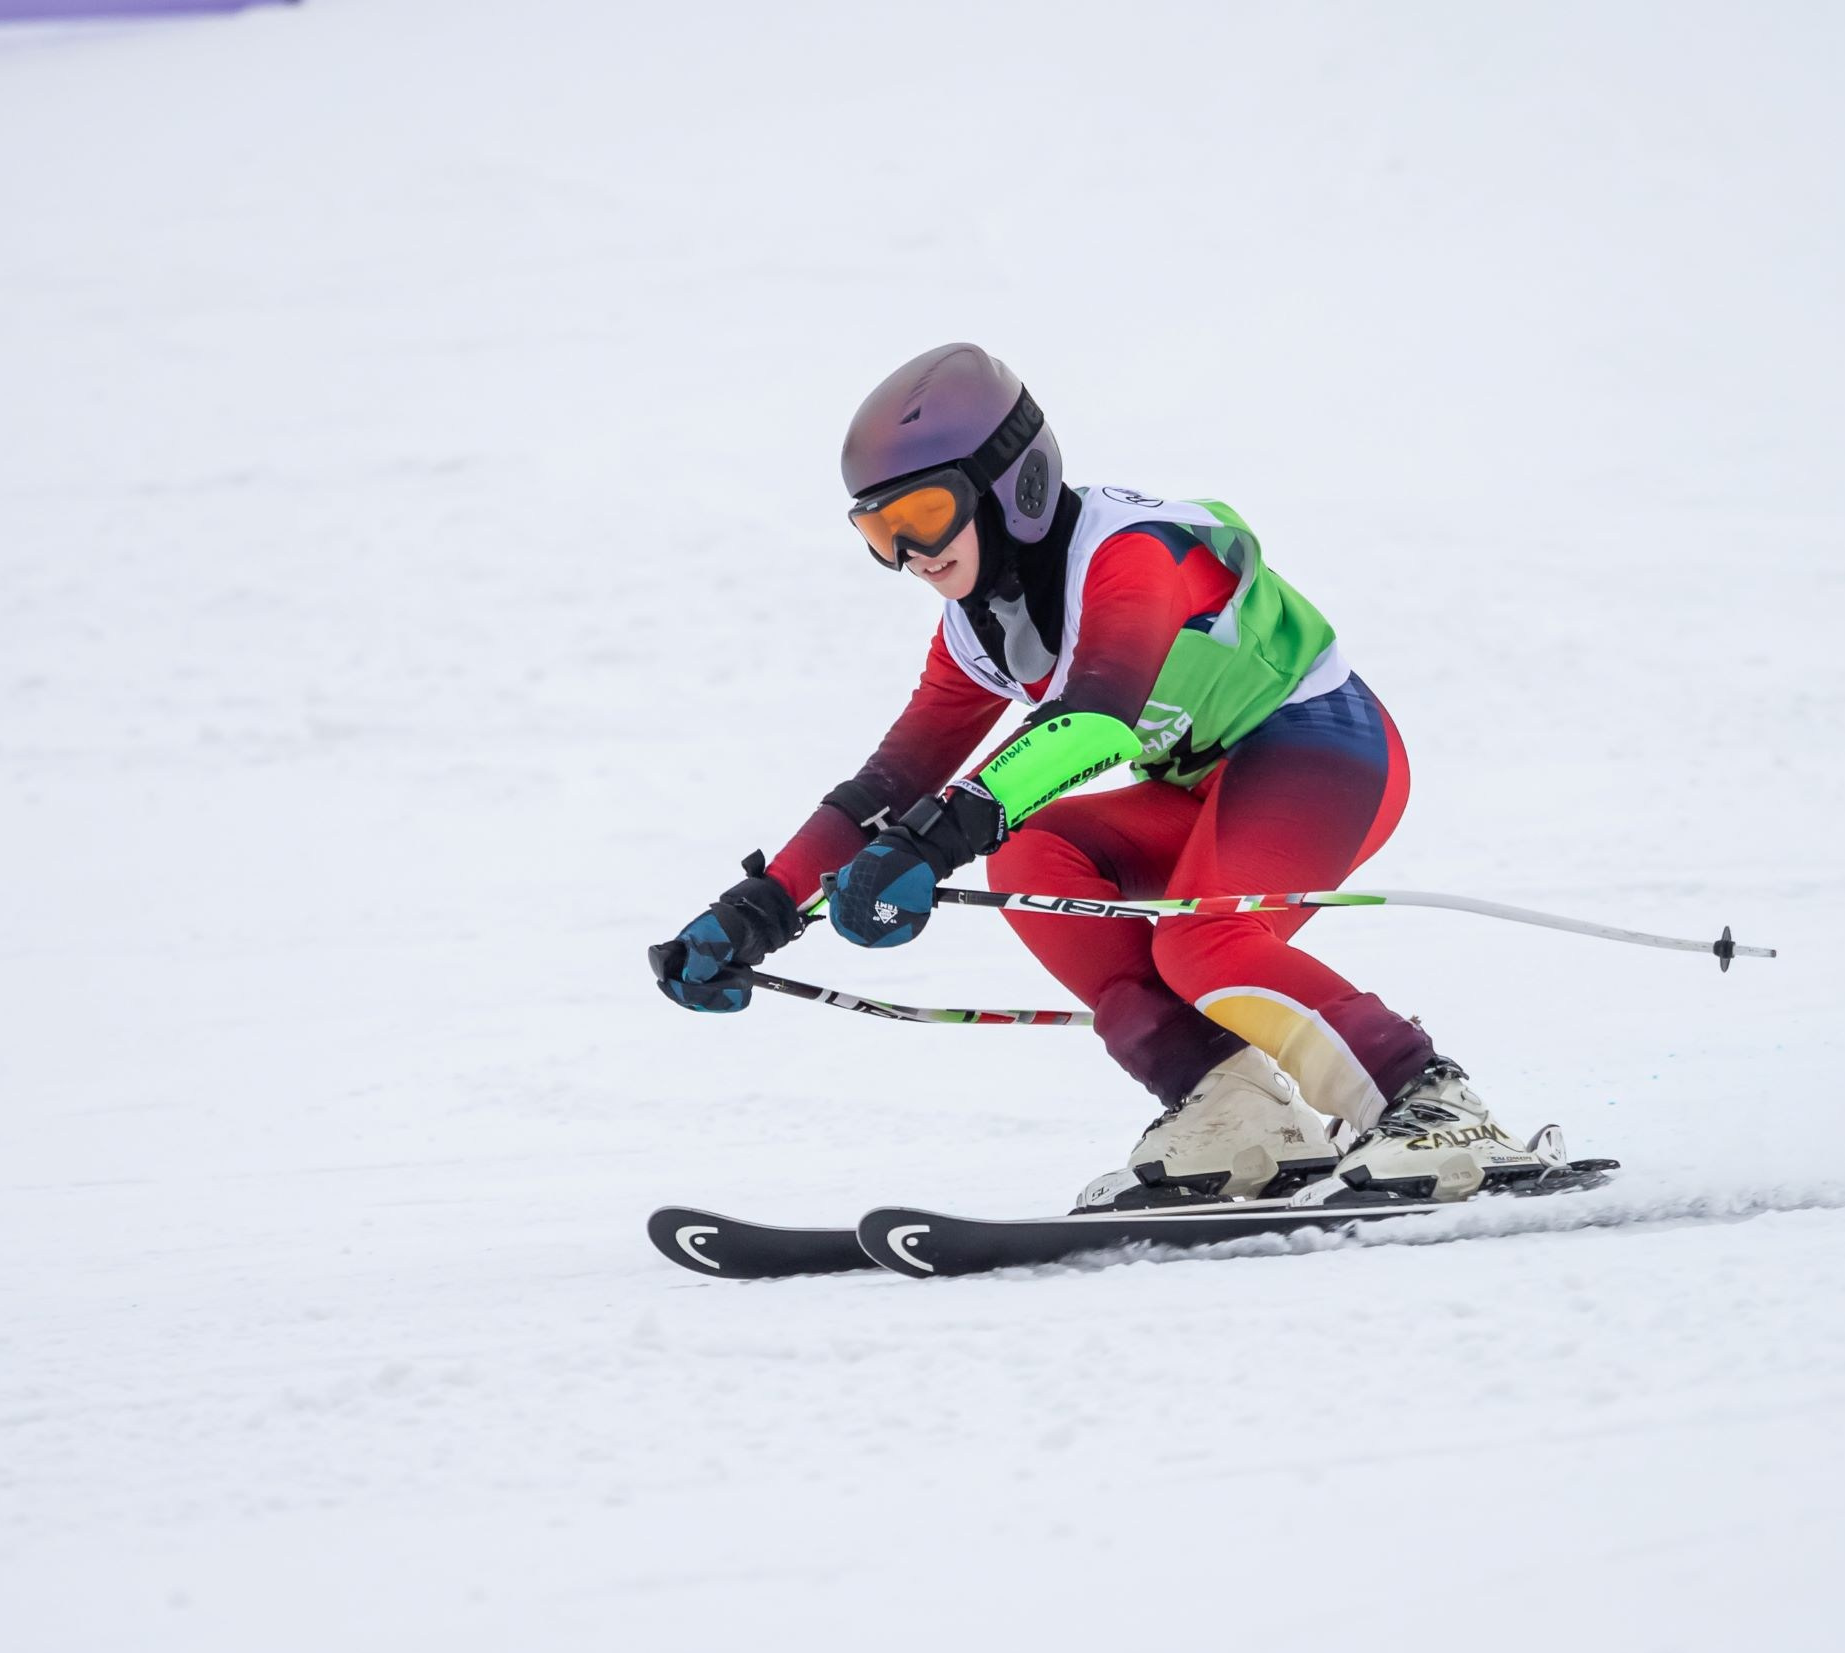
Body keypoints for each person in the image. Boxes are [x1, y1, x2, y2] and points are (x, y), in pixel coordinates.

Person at [649, 344, 1561, 1205]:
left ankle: (1434, 1105)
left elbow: (1094, 718)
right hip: (1199, 788)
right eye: (880, 530)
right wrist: (759, 910)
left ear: (1014, 485)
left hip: (1320, 748)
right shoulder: (978, 625)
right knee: (1036, 861)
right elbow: (895, 776)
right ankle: (1236, 1106)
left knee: (1201, 942)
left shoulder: (1130, 551)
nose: (911, 554)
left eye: (924, 513)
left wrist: (938, 837)